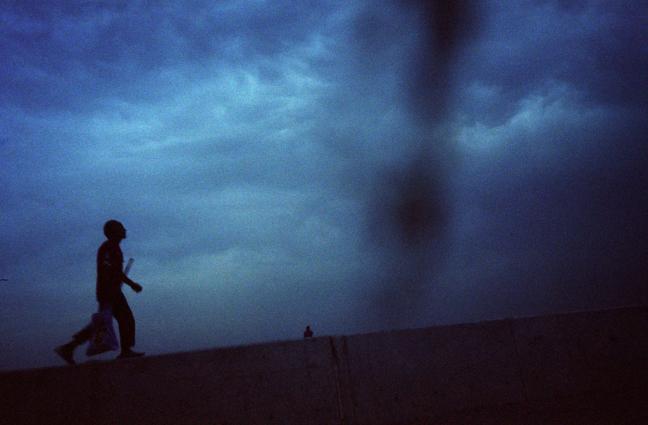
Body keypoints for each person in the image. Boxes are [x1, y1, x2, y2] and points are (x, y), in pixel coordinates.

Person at [55, 220, 145, 364]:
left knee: (104, 323)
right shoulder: (109, 247)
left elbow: (115, 271)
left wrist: (126, 284)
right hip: (109, 292)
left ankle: (69, 347)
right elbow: (111, 271)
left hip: (110, 291)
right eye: (121, 228)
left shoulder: (113, 247)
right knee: (122, 319)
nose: (124, 230)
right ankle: (125, 350)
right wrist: (131, 284)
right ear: (114, 232)